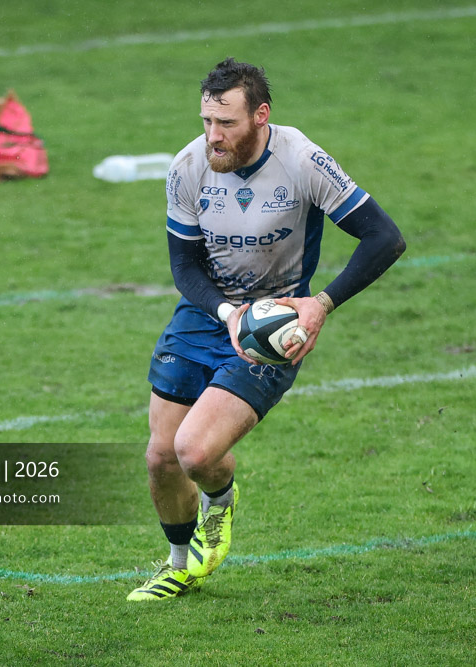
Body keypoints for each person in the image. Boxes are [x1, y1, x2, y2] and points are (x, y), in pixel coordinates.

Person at [128, 58, 406, 601]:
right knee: (161, 456)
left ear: (261, 115)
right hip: (209, 314)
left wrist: (320, 304)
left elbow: (384, 238)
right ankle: (179, 564)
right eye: (208, 121)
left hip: (276, 328)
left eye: (227, 123)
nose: (214, 136)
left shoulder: (302, 160)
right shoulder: (188, 167)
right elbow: (184, 268)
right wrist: (227, 313)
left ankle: (220, 502)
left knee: (196, 453)